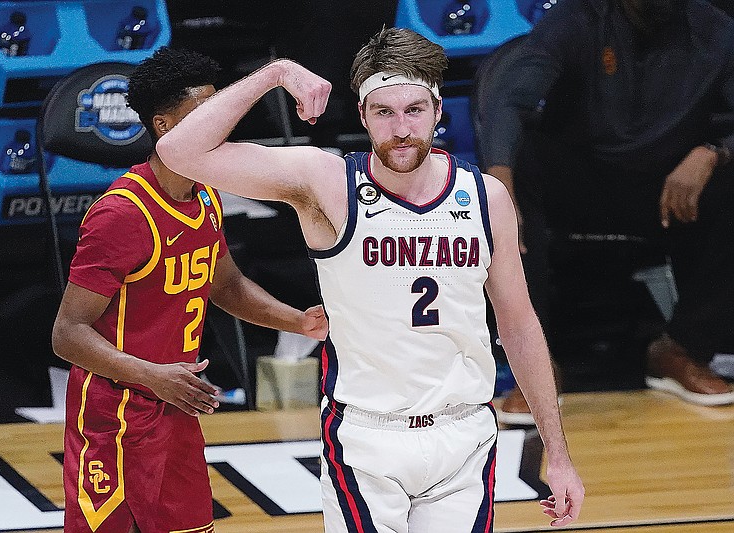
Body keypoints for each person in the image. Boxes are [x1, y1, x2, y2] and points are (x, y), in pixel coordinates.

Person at [157, 27, 584, 531]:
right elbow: (179, 152)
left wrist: (557, 454)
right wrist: (274, 74)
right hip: (367, 439)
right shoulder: (328, 183)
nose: (401, 128)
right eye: (384, 112)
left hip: (465, 433)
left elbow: (518, 325)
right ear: (362, 115)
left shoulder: (486, 197)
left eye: (414, 110)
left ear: (439, 110)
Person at [51, 47, 327, 533]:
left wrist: (299, 321)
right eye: (204, 114)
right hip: (114, 414)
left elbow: (227, 286)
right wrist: (152, 375)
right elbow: (67, 334)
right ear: (164, 125)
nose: (220, 124)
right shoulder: (122, 214)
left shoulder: (205, 195)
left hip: (176, 405)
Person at [478, 0, 734, 422]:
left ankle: (680, 349)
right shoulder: (576, 18)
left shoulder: (716, 29)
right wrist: (500, 184)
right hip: (578, 183)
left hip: (669, 186)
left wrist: (712, 152)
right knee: (508, 179)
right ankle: (536, 365)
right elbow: (510, 98)